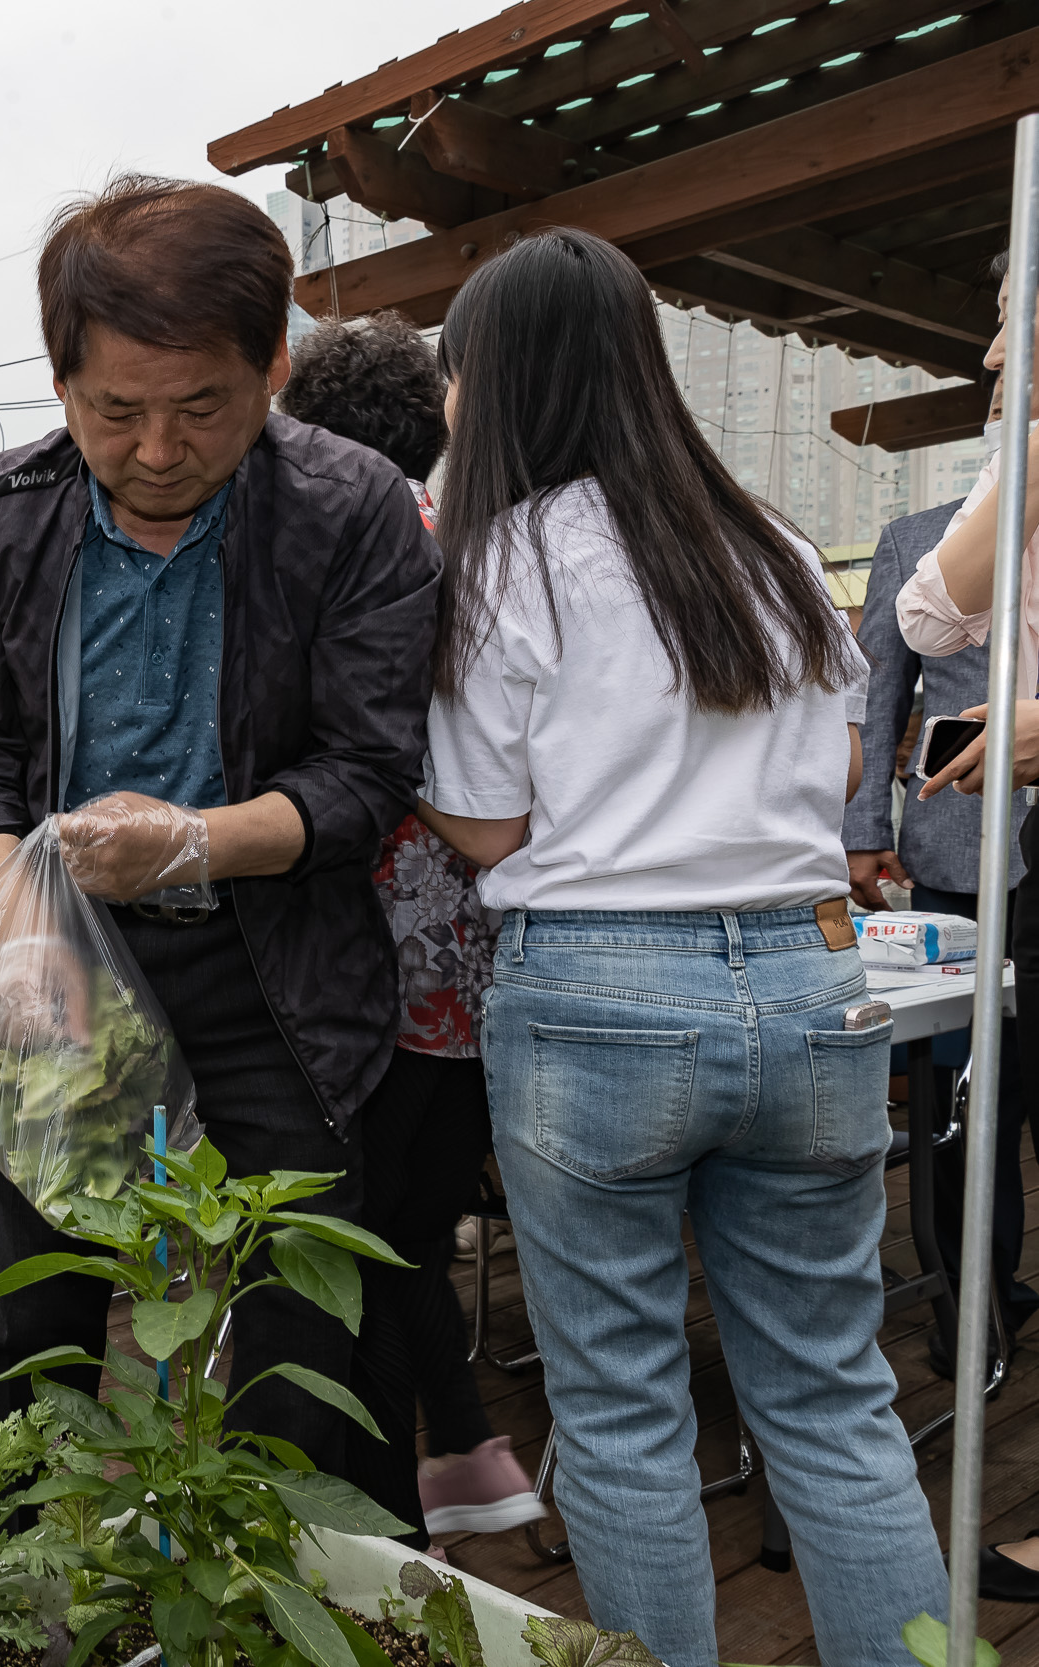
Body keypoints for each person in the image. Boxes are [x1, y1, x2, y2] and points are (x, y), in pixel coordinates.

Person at [419, 227, 942, 1661]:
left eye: (455, 379)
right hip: (814, 974)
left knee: (624, 1417)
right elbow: (842, 760)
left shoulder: (501, 561)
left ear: (502, 383)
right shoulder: (768, 543)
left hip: (595, 994)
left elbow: (481, 826)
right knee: (838, 1400)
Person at [0, 173, 438, 1480]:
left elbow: (367, 776)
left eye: (202, 407)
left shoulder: (354, 508)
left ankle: (259, 1569)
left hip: (277, 956)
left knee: (298, 1310)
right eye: (115, 412)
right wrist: (28, 924)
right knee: (38, 1308)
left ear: (273, 367)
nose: (157, 450)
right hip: (67, 949)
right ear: (59, 384)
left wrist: (197, 839)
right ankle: (27, 1593)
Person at [279, 310, 541, 1546]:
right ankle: (468, 1460)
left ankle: (388, 1534)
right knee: (412, 1237)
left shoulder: (316, 535)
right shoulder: (487, 551)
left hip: (354, 967)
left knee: (351, 1258)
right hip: (481, 964)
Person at [889, 253, 1039, 1601]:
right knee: (981, 1125)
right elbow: (931, 610)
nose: (992, 355)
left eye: (1006, 324)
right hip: (1012, 874)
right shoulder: (1026, 454)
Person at [849, 484, 1034, 1383]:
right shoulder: (917, 539)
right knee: (966, 1100)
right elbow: (878, 692)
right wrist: (862, 833)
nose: (1003, 373)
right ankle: (976, 1299)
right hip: (960, 862)